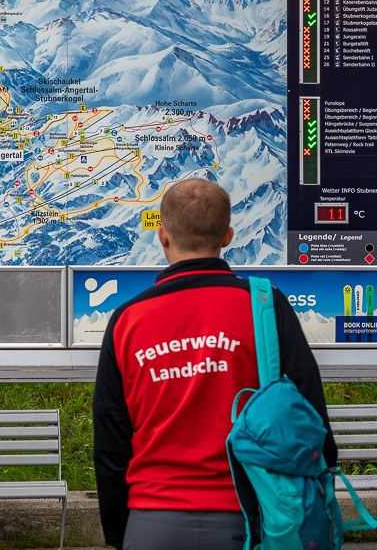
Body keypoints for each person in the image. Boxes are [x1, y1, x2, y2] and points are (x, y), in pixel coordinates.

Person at [92, 178, 337, 550]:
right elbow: (310, 411)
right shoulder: (265, 306)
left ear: (162, 236)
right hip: (250, 516)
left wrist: (120, 533)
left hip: (152, 520)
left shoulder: (128, 319)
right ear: (227, 236)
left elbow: (110, 438)